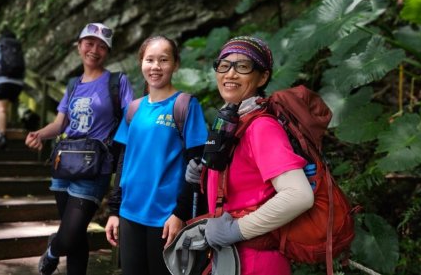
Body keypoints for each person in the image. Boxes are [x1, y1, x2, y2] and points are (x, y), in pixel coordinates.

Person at [184, 36, 315, 275]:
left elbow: (299, 195)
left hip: (256, 263)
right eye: (224, 66)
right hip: (229, 260)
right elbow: (243, 187)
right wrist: (203, 176)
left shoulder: (261, 127)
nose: (230, 74)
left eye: (242, 66)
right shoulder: (233, 122)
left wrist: (237, 230)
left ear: (262, 77)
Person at [25, 22, 134, 275]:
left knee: (69, 231)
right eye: (89, 43)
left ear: (107, 52)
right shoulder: (74, 84)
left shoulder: (117, 82)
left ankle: (52, 251)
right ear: (79, 46)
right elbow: (60, 122)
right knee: (75, 235)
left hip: (95, 166)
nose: (94, 50)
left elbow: (132, 117)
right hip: (64, 164)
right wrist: (39, 134)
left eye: (101, 46)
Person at [105, 36, 208, 275]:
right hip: (130, 213)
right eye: (150, 60)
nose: (156, 66)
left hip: (166, 217)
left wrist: (180, 213)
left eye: (164, 60)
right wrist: (114, 210)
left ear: (175, 64)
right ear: (141, 63)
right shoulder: (134, 109)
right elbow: (123, 161)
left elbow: (196, 164)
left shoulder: (186, 105)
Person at [0, 28, 25, 150]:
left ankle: (2, 134)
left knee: (1, 109)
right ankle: (11, 126)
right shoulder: (18, 50)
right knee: (8, 106)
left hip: (2, 81)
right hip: (17, 84)